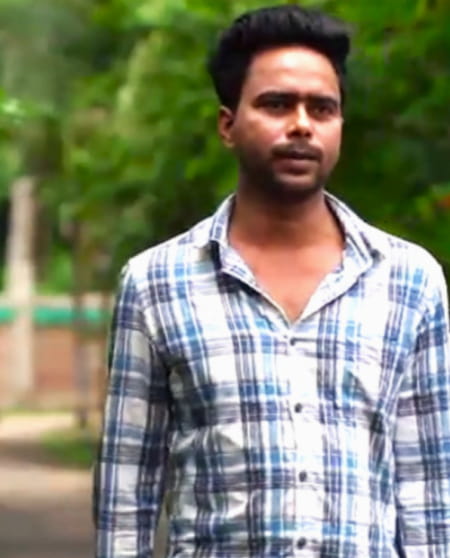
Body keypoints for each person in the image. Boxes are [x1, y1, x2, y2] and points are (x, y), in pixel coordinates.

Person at [94, 5, 450, 557]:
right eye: (277, 104)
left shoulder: (409, 280)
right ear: (228, 125)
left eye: (322, 108)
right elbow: (127, 490)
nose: (302, 124)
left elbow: (428, 488)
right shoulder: (155, 283)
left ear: (339, 126)